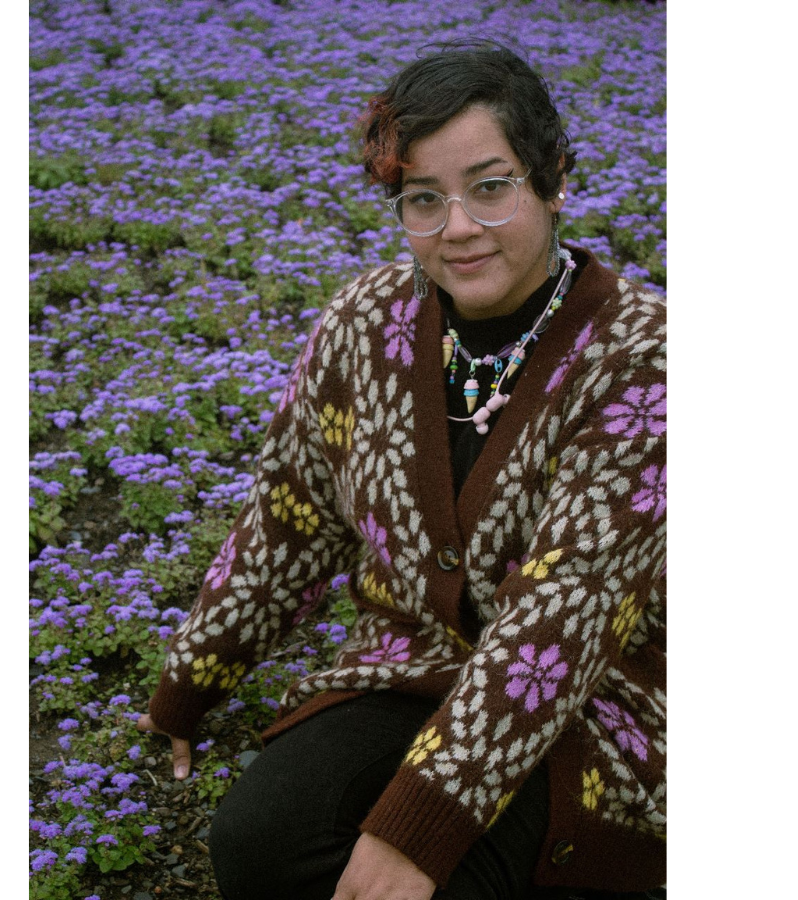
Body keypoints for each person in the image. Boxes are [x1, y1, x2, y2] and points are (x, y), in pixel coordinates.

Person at [137, 41, 666, 900]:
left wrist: (417, 829)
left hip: (593, 701)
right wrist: (190, 685)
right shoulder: (365, 320)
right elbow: (289, 516)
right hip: (410, 662)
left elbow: (566, 618)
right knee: (261, 841)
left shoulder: (645, 357)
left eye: (491, 187)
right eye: (425, 199)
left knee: (449, 874)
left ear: (553, 179)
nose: (458, 228)